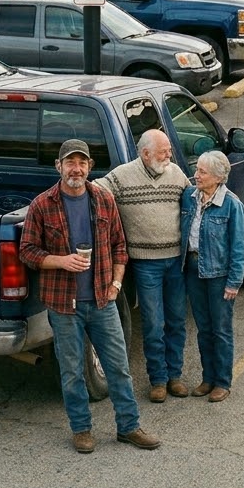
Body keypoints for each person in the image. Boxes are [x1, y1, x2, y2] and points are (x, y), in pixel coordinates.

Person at [19, 139, 160, 454]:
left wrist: (116, 285)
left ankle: (129, 426)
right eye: (70, 162)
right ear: (59, 167)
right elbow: (27, 252)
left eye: (82, 163)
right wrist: (61, 261)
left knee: (118, 366)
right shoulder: (42, 205)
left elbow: (120, 247)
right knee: (72, 371)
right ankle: (81, 430)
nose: (76, 169)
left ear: (90, 167)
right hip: (63, 305)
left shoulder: (103, 199)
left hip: (102, 300)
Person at [100, 129, 190, 404]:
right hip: (145, 263)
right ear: (145, 152)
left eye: (169, 150)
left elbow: (195, 201)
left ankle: (175, 376)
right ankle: (158, 380)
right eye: (164, 150)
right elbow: (96, 190)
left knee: (176, 320)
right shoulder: (122, 175)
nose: (169, 154)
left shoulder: (176, 174)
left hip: (176, 261)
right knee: (153, 324)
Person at [181, 150, 244, 403]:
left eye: (202, 172)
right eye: (197, 170)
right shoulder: (190, 197)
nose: (196, 175)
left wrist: (234, 282)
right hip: (194, 270)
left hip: (219, 275)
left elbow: (239, 247)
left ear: (218, 178)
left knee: (220, 329)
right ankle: (207, 378)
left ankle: (222, 382)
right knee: (203, 329)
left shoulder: (232, 204)